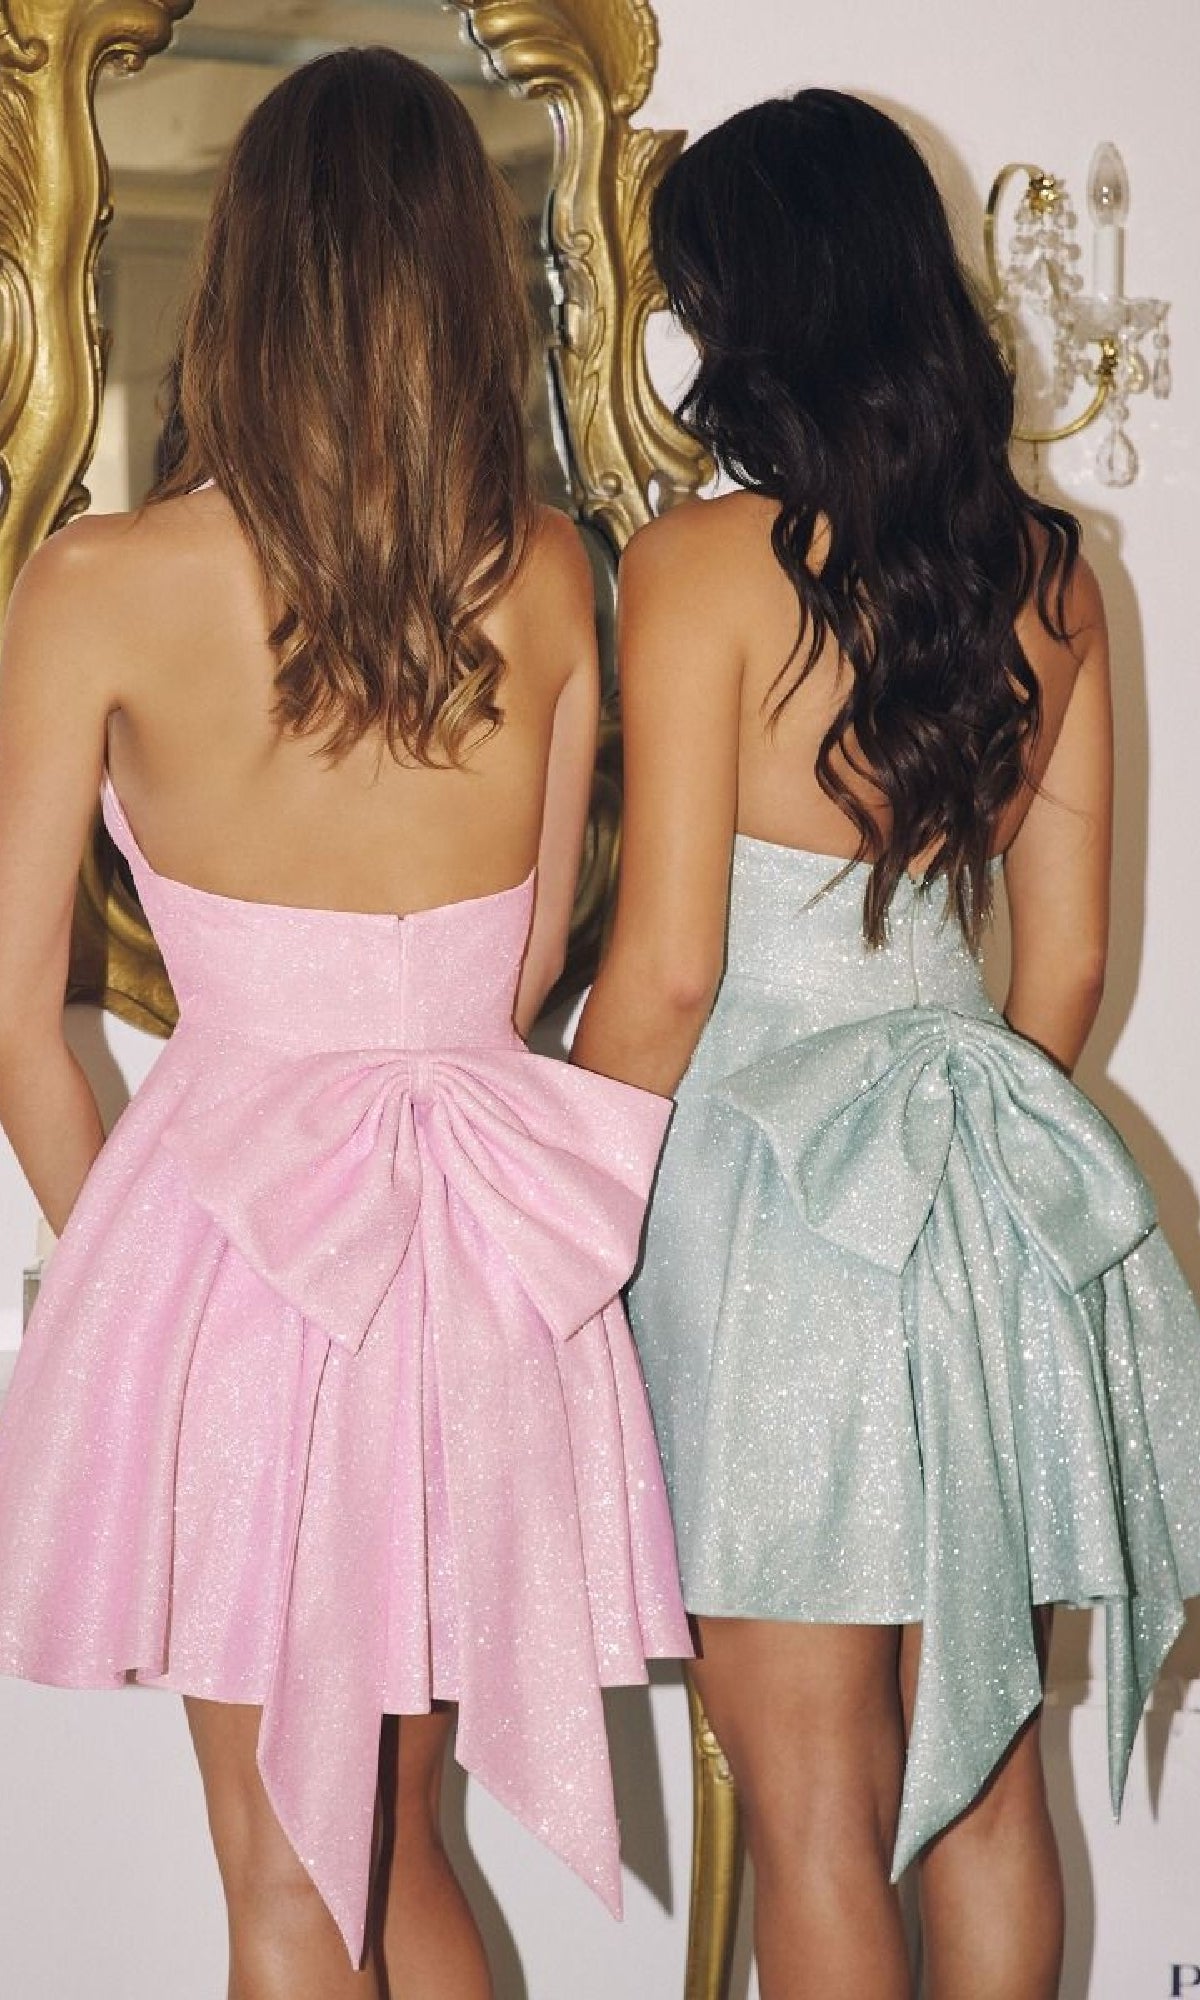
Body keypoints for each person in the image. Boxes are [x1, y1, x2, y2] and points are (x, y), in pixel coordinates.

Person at [0, 48, 690, 2000]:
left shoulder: (97, 585)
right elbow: (540, 951)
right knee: (392, 1849)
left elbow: (10, 1019)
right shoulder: (552, 570)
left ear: (242, 274)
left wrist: (137, 1252)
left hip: (235, 1267)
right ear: (470, 283)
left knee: (287, 1880)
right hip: (476, 1271)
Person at [572, 88, 1200, 2000]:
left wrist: (558, 1206)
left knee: (820, 1789)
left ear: (750, 305)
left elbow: (670, 972)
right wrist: (964, 1160)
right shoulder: (1053, 568)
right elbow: (1067, 973)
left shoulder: (699, 564)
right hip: (985, 1196)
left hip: (764, 1222)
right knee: (984, 1774)